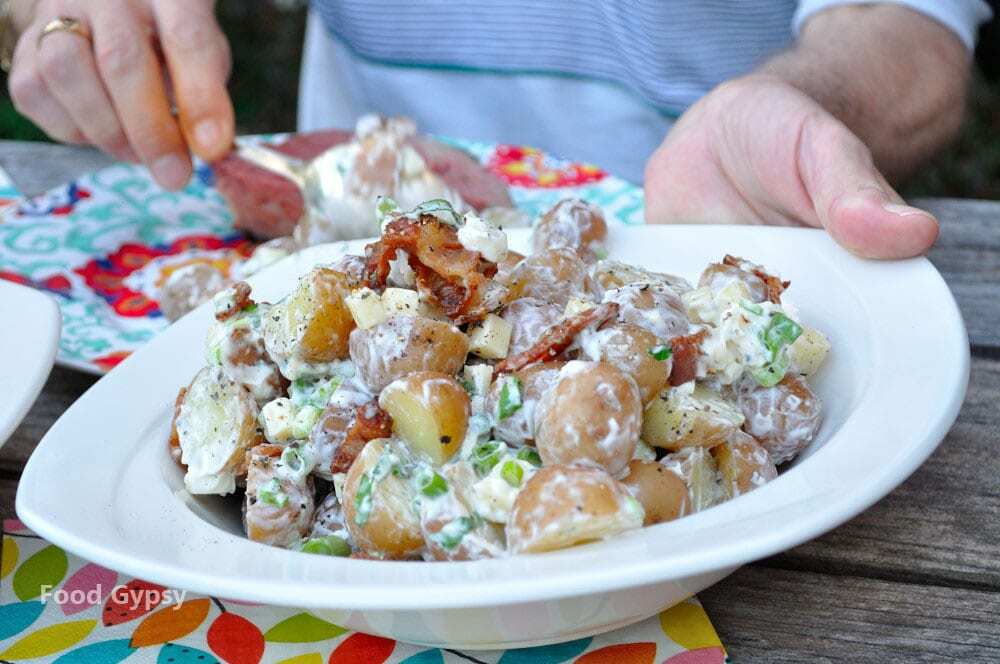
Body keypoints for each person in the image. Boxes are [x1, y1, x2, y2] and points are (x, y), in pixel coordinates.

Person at [2, 1, 991, 258]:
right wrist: (67, 20)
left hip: (697, 223)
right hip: (320, 245)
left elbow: (905, 33)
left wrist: (808, 103)